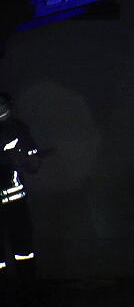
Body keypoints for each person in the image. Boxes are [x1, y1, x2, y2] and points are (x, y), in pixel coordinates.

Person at [0, 93, 43, 305]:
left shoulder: (18, 129)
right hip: (12, 205)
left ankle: (29, 294)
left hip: (16, 204)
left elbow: (33, 162)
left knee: (24, 252)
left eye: (3, 104)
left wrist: (30, 161)